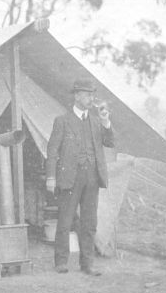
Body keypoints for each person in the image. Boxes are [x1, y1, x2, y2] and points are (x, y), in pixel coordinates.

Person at [46, 78, 115, 276]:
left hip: (92, 177)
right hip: (70, 177)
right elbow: (52, 151)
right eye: (86, 94)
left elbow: (110, 142)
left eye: (92, 95)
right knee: (65, 221)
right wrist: (51, 177)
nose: (90, 98)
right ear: (76, 96)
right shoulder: (62, 121)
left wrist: (105, 120)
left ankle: (87, 264)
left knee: (89, 222)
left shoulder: (95, 121)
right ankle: (61, 262)